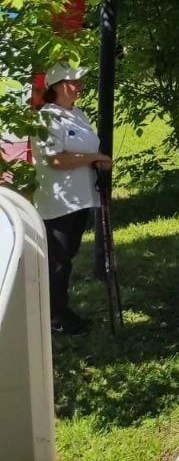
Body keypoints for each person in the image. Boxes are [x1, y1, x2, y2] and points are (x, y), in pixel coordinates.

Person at [35, 62, 111, 334]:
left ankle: (59, 310)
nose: (79, 86)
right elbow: (55, 159)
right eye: (73, 82)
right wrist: (95, 158)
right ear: (57, 86)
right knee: (57, 261)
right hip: (58, 201)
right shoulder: (46, 117)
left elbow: (84, 148)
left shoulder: (76, 113)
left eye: (79, 82)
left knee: (67, 257)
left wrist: (95, 162)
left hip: (82, 197)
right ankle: (53, 317)